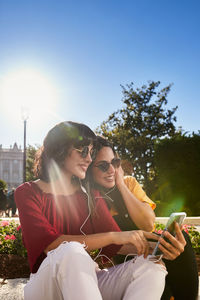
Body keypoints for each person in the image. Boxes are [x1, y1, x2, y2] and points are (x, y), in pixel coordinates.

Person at [15, 121, 167, 300]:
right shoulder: (27, 192)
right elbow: (51, 245)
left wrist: (160, 248)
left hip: (84, 282)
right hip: (46, 288)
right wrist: (113, 236)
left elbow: (118, 245)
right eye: (83, 151)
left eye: (91, 152)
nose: (89, 158)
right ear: (59, 150)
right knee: (71, 251)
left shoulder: (89, 195)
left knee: (150, 266)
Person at [85, 135, 199, 300]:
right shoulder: (88, 199)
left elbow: (147, 224)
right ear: (89, 169)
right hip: (128, 260)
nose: (111, 170)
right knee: (162, 285)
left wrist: (122, 186)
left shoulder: (129, 183)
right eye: (103, 166)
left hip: (151, 248)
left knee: (181, 241)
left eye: (115, 163)